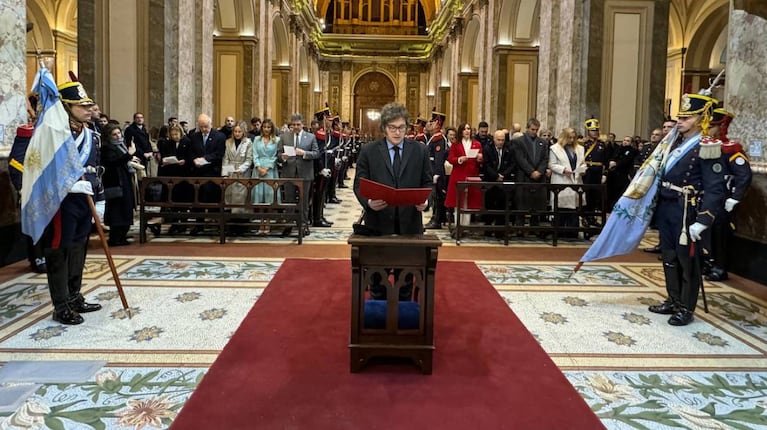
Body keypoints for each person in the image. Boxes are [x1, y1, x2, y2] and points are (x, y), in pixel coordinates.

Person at [648, 92, 726, 326]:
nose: (680, 121)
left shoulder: (708, 146)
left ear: (702, 118)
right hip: (668, 207)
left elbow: (716, 188)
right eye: (680, 117)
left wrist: (704, 219)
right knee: (669, 257)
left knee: (688, 261)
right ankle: (673, 299)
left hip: (687, 211)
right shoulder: (674, 143)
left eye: (687, 117)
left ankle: (686, 307)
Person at [41, 82, 104, 325]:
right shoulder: (52, 134)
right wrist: (67, 185)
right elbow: (40, 168)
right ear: (67, 107)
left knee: (79, 248)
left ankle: (75, 295)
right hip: (60, 202)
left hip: (83, 199)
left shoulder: (91, 135)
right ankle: (61, 305)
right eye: (83, 106)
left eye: (89, 106)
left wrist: (99, 199)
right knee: (59, 251)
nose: (89, 110)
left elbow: (95, 169)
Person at [354, 102, 432, 236]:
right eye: (392, 128)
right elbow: (359, 184)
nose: (397, 132)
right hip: (378, 222)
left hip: (410, 223)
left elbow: (428, 183)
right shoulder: (369, 151)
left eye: (401, 127)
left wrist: (426, 201)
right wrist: (369, 203)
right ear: (384, 127)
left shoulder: (420, 151)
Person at [701, 108, 752, 281]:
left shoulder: (732, 150)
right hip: (706, 196)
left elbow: (744, 175)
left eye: (713, 126)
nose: (709, 130)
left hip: (722, 198)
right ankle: (708, 261)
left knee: (719, 232)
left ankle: (720, 267)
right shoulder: (705, 146)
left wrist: (735, 197)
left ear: (721, 127)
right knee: (705, 231)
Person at [278, 113, 319, 237]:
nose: (296, 127)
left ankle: (304, 225)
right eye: (294, 124)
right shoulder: (284, 137)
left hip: (304, 174)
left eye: (298, 124)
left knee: (304, 201)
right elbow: (278, 154)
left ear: (302, 124)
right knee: (289, 200)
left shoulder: (310, 137)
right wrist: (282, 157)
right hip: (289, 173)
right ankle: (289, 224)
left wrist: (304, 153)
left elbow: (317, 153)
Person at [186, 113, 227, 235]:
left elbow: (219, 154)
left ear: (211, 124)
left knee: (213, 199)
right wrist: (194, 160)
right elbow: (191, 152)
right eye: (201, 127)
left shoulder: (220, 136)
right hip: (198, 173)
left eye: (206, 126)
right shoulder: (194, 136)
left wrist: (205, 159)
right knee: (198, 200)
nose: (204, 129)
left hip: (212, 172)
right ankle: (199, 224)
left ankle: (216, 224)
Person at [100, 124, 137, 246]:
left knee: (126, 208)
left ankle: (122, 235)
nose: (117, 136)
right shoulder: (107, 148)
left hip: (124, 180)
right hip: (115, 182)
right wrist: (129, 155)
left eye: (118, 133)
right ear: (109, 136)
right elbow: (113, 162)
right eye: (114, 134)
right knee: (117, 210)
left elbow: (123, 160)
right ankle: (115, 237)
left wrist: (130, 158)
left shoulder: (121, 146)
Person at [511, 118, 548, 233]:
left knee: (537, 204)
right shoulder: (519, 141)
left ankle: (535, 228)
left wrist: (539, 171)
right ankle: (520, 228)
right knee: (522, 203)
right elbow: (520, 159)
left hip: (538, 177)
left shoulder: (542, 142)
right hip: (524, 176)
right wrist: (531, 171)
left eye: (536, 130)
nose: (534, 132)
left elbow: (545, 159)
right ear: (527, 128)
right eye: (532, 129)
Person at [548, 127, 586, 237]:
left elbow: (582, 163)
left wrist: (583, 169)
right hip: (562, 179)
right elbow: (551, 164)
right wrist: (563, 170)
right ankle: (559, 231)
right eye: (569, 137)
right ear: (564, 137)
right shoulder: (555, 148)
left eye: (574, 138)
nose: (572, 140)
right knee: (562, 206)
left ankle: (572, 231)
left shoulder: (579, 148)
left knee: (574, 207)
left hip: (575, 179)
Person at [445, 123, 484, 228]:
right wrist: (459, 159)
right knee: (458, 201)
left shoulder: (477, 144)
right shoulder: (456, 144)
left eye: (469, 129)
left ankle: (466, 225)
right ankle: (458, 225)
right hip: (459, 174)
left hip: (471, 175)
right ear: (461, 131)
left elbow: (480, 161)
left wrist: (480, 158)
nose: (467, 131)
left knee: (469, 201)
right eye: (465, 129)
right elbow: (450, 159)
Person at [481, 129, 516, 233]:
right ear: (494, 139)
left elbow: (512, 164)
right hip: (490, 181)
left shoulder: (509, 149)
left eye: (502, 140)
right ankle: (488, 228)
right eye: (498, 140)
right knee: (489, 205)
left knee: (502, 205)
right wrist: (496, 176)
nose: (500, 142)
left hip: (504, 181)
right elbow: (486, 165)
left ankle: (500, 230)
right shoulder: (487, 148)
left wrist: (503, 175)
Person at [157, 125, 191, 235]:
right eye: (172, 135)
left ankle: (184, 223)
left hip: (184, 175)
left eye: (176, 134)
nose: (174, 137)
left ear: (181, 133)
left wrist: (185, 161)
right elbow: (165, 156)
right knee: (174, 201)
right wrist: (166, 160)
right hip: (172, 174)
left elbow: (190, 156)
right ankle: (175, 223)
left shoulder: (187, 142)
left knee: (184, 201)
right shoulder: (168, 143)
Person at [222, 120, 254, 236]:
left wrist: (241, 168)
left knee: (241, 199)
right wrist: (225, 173)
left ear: (243, 132)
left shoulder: (248, 143)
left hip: (242, 174)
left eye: (239, 131)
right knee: (230, 199)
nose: (237, 133)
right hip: (231, 172)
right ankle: (231, 226)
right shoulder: (228, 142)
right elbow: (225, 158)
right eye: (235, 131)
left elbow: (249, 159)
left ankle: (243, 225)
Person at [251, 119, 280, 233]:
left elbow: (275, 156)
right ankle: (261, 223)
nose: (266, 129)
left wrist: (267, 168)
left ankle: (267, 223)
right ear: (262, 128)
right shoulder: (257, 140)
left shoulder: (277, 140)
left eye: (268, 127)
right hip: (258, 170)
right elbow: (254, 154)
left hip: (270, 170)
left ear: (272, 128)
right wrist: (258, 167)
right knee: (259, 197)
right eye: (264, 127)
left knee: (269, 196)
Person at [424, 110, 449, 229]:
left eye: (432, 122)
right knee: (434, 197)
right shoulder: (433, 138)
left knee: (438, 197)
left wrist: (437, 173)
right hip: (432, 171)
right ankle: (435, 218)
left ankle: (437, 220)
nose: (429, 124)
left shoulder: (439, 139)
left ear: (437, 124)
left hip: (436, 173)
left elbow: (439, 158)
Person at [581, 117, 607, 227]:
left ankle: (592, 217)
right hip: (587, 172)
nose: (595, 132)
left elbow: (605, 159)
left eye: (596, 130)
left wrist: (605, 173)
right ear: (588, 131)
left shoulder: (602, 144)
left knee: (595, 196)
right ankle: (585, 217)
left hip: (597, 172)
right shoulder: (583, 144)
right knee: (586, 195)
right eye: (592, 130)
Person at [605, 136, 639, 210]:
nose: (625, 142)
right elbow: (612, 157)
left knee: (620, 191)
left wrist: (616, 164)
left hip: (623, 174)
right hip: (613, 174)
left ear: (631, 143)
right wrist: (611, 162)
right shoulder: (618, 149)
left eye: (628, 140)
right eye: (624, 140)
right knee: (611, 191)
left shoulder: (632, 151)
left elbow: (626, 160)